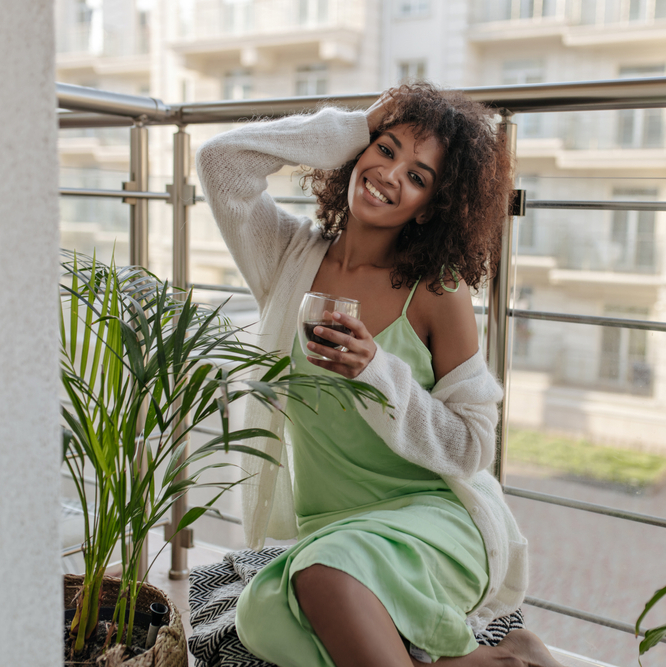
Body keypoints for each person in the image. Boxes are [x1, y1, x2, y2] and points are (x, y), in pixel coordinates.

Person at [196, 83, 563, 667]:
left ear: (432, 205)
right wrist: (357, 124)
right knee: (261, 617)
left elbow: (473, 447)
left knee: (322, 578)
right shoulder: (287, 258)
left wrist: (377, 371)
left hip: (435, 521)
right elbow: (221, 162)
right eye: (386, 150)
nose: (391, 175)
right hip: (337, 527)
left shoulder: (437, 289)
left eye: (418, 177)